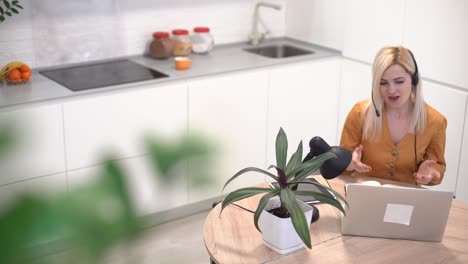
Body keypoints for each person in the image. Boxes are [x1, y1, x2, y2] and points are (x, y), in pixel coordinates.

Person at [340, 46, 447, 185]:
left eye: (399, 81)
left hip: (408, 201)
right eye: (383, 83)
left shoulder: (435, 122)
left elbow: (437, 167)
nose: (391, 90)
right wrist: (348, 165)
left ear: (413, 80)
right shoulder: (360, 113)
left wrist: (430, 174)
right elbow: (341, 165)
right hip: (364, 196)